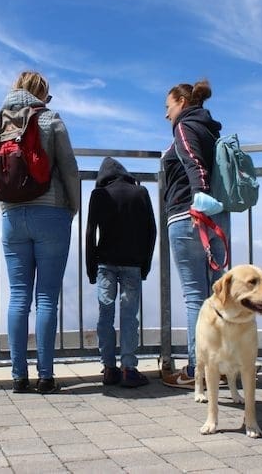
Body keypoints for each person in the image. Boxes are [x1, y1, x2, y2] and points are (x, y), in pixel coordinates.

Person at [0, 71, 80, 394]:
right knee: (46, 297)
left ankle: (18, 376)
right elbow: (68, 166)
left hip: (12, 214)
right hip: (51, 212)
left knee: (18, 297)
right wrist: (72, 206)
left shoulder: (0, 119)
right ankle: (46, 377)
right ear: (42, 94)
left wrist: (6, 206)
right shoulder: (50, 118)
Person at [160, 79, 230, 388]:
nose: (166, 115)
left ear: (182, 103)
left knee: (195, 298)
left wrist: (198, 198)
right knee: (219, 295)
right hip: (219, 217)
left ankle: (196, 370)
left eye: (168, 106)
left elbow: (191, 160)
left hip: (190, 215)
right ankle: (224, 366)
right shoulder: (212, 129)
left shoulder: (184, 126)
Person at [86, 157, 157, 388]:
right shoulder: (141, 192)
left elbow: (90, 234)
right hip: (133, 264)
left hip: (105, 263)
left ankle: (108, 368)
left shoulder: (99, 195)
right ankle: (129, 368)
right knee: (129, 316)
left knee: (105, 315)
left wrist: (90, 269)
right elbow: (151, 231)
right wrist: (145, 265)